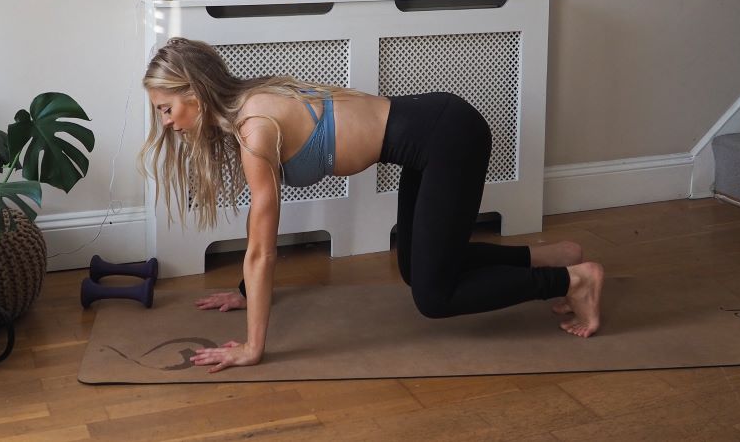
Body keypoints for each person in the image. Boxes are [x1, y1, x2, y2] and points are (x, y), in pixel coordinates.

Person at [141, 37, 605, 373]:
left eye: (166, 108)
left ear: (195, 95)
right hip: (434, 135)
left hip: (449, 136)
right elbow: (257, 232)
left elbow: (262, 250)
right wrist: (244, 292)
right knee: (416, 266)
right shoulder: (247, 110)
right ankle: (553, 255)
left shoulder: (255, 128)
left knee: (434, 296)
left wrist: (251, 347)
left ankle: (571, 280)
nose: (165, 123)